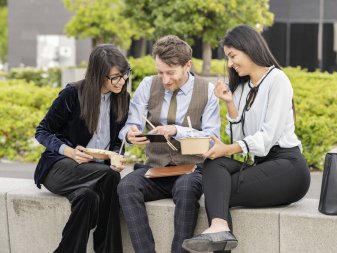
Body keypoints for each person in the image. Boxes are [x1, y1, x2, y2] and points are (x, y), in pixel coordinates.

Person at [182, 24, 311, 252]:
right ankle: (220, 226)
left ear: (249, 48)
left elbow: (267, 139)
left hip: (288, 168)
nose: (230, 63)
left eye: (233, 56)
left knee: (218, 190)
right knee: (213, 163)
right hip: (262, 165)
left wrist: (228, 148)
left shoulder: (277, 80)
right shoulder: (242, 88)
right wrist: (230, 103)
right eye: (228, 58)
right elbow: (241, 139)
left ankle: (219, 228)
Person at [117, 35, 220, 253]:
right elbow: (130, 125)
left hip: (191, 170)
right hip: (155, 169)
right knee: (126, 187)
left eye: (170, 72)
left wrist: (177, 130)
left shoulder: (207, 91)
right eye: (160, 72)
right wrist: (130, 134)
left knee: (185, 188)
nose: (164, 79)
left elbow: (211, 138)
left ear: (187, 65)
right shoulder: (147, 85)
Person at [34, 44, 131, 253]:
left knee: (88, 198)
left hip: (95, 173)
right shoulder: (73, 94)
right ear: (98, 74)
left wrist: (117, 156)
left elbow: (117, 142)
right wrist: (69, 152)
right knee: (111, 178)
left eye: (124, 75)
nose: (121, 81)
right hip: (60, 168)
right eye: (115, 77)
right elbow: (42, 131)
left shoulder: (122, 98)